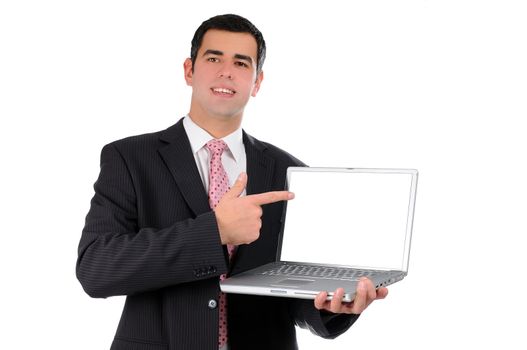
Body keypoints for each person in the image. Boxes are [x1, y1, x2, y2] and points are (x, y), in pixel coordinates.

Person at [76, 14, 388, 350]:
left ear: (257, 82)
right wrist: (215, 232)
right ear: (189, 70)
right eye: (213, 58)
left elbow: (293, 296)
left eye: (241, 63)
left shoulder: (290, 172)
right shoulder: (130, 158)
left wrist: (333, 305)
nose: (226, 71)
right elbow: (96, 269)